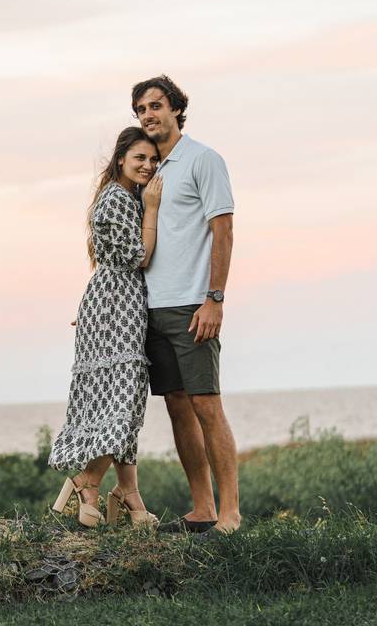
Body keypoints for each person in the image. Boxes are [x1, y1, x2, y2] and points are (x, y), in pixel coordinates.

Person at [132, 75, 241, 534]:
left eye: (155, 106)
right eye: (140, 110)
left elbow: (224, 231)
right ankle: (202, 509)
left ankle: (231, 511)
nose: (148, 116)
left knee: (206, 404)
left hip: (193, 305)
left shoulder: (203, 159)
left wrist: (214, 299)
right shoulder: (149, 169)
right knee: (176, 405)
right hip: (151, 308)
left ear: (177, 108)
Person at [48, 127, 162, 528]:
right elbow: (138, 257)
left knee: (124, 398)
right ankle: (89, 479)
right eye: (139, 159)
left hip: (119, 302)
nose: (148, 166)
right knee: (122, 395)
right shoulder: (118, 198)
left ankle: (125, 493)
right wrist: (151, 208)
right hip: (114, 304)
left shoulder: (123, 196)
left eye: (152, 159)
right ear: (120, 161)